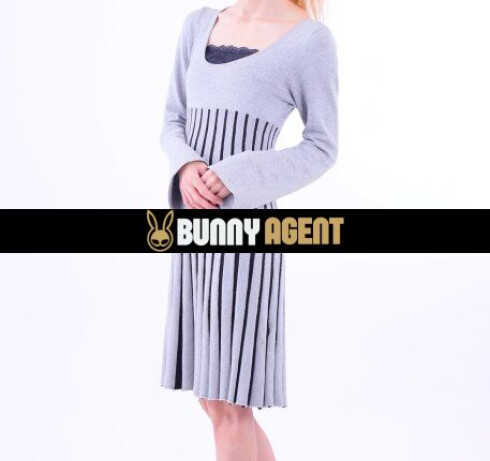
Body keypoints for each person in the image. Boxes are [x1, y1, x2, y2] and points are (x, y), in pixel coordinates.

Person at [159, 1, 339, 459]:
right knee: (213, 400)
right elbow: (174, 120)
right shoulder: (199, 23)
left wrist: (237, 173)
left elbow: (322, 147)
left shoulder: (310, 40)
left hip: (246, 236)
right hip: (194, 231)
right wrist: (187, 165)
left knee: (229, 403)